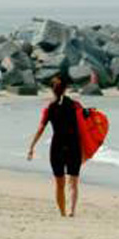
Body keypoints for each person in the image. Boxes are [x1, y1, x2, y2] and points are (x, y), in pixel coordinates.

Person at [27, 75, 83, 217]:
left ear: (52, 90)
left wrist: (32, 146)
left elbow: (41, 129)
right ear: (65, 89)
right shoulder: (75, 105)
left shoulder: (49, 108)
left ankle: (63, 213)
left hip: (57, 147)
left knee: (59, 184)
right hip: (74, 146)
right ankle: (72, 211)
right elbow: (86, 124)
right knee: (74, 182)